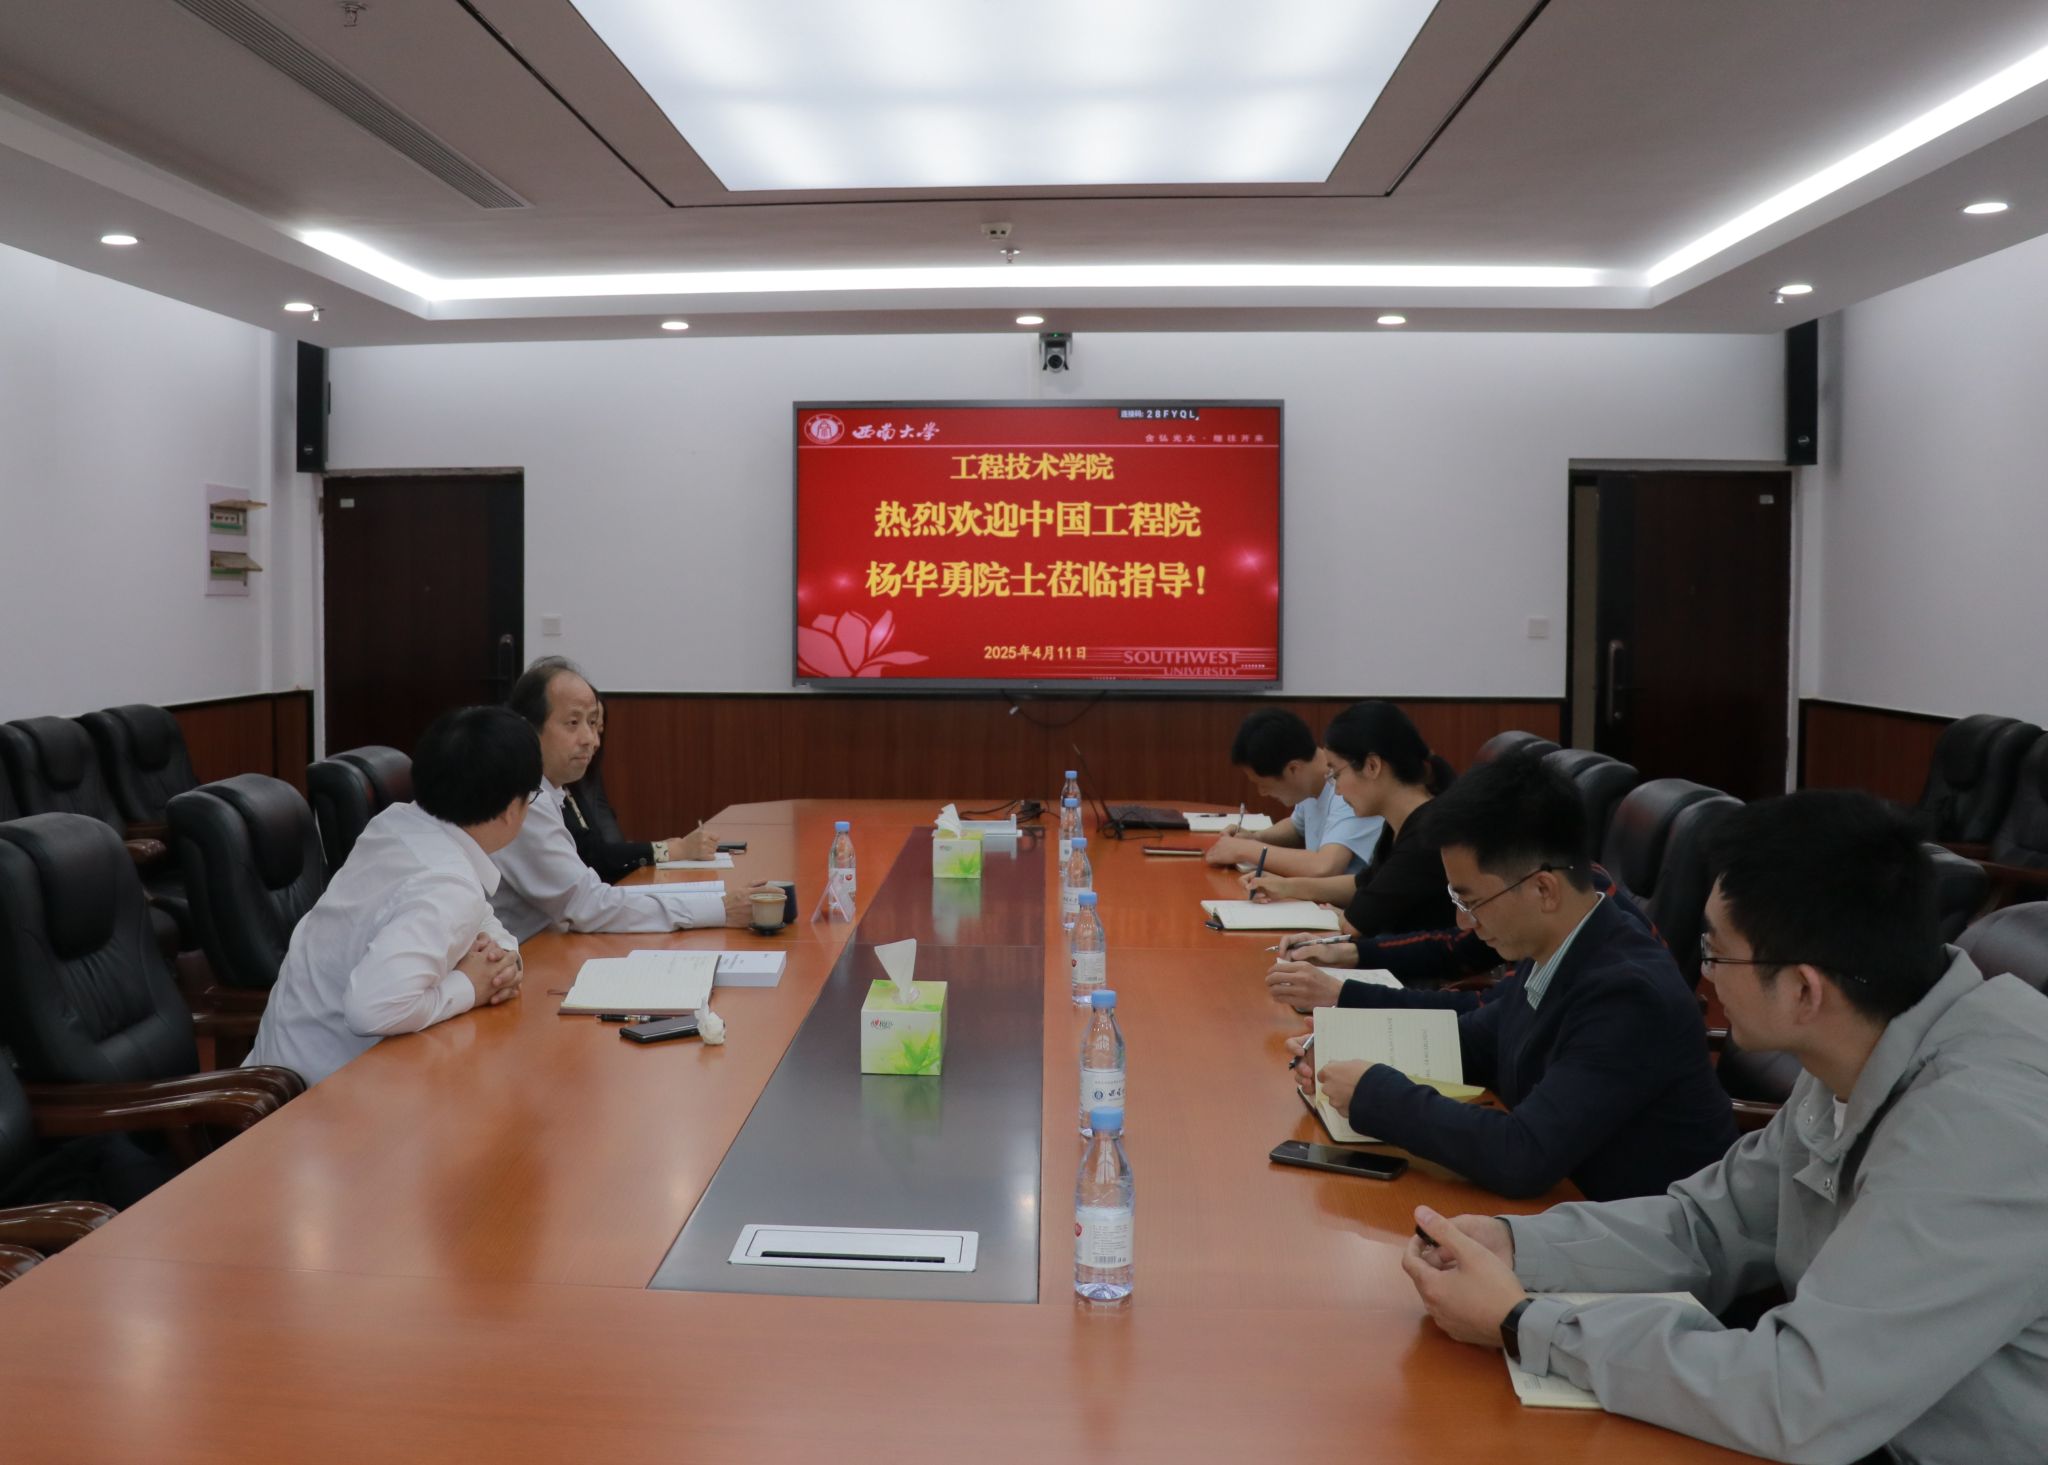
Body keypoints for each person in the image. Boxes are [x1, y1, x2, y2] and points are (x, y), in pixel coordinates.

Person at [1401, 791, 2048, 1464]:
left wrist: (1525, 1324)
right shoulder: (1863, 1036)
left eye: (1714, 952)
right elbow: (1711, 1223)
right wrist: (1516, 1245)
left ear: (1803, 990)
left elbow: (1800, 1398)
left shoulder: (1982, 1131)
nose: (1703, 976)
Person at [1291, 752, 1735, 1200]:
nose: (1464, 923)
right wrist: (1344, 1045)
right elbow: (1474, 1038)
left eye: (1472, 902)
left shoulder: (1628, 994)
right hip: (1570, 1206)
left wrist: (1375, 1095)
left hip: (1634, 1227)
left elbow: (1522, 1155)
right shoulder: (1561, 946)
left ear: (1543, 889)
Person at [246, 706, 538, 1087]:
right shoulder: (447, 883)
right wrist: (470, 986)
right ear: (511, 810)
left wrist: (504, 960)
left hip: (286, 1067)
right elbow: (371, 1010)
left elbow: (481, 918)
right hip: (314, 1099)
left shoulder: (398, 823)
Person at [492, 658, 771, 940]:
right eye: (573, 723)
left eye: (593, 723)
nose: (591, 739)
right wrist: (719, 909)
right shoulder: (525, 801)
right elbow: (587, 906)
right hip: (525, 956)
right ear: (527, 729)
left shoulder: (551, 791)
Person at [1239, 701, 1455, 939]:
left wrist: (1344, 916)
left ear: (1372, 766)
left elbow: (1355, 924)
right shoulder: (1398, 823)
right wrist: (1286, 886)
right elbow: (1364, 884)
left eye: (1336, 774)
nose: (1337, 790)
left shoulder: (1426, 834)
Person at [1203, 708, 1383, 878]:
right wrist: (1254, 838)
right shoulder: (1310, 782)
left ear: (1293, 769)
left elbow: (1325, 867)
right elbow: (1297, 827)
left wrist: (1243, 849)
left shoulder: (1349, 789)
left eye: (1263, 784)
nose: (1262, 792)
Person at [565, 695, 714, 882]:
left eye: (596, 728)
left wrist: (661, 848)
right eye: (574, 723)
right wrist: (671, 850)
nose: (594, 741)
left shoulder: (579, 780)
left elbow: (607, 846)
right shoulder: (543, 792)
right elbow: (593, 855)